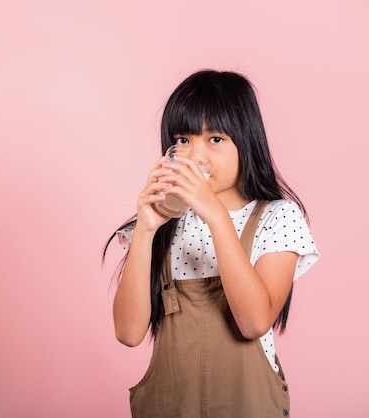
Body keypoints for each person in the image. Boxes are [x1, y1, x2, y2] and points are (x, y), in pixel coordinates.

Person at [103, 69, 319, 417]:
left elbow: (253, 322)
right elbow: (128, 333)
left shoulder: (278, 217)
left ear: (245, 141)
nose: (194, 154)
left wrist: (215, 215)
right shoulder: (162, 223)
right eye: (183, 140)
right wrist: (145, 229)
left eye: (215, 139)